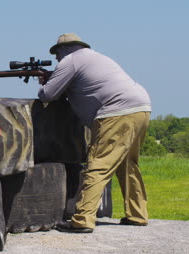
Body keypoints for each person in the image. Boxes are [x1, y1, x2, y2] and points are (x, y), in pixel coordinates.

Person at [38, 33, 152, 233]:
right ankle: (137, 214)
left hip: (116, 112)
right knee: (128, 165)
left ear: (63, 49)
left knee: (98, 164)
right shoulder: (95, 57)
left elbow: (48, 95)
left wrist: (45, 83)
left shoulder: (70, 61)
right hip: (140, 106)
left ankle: (82, 219)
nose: (56, 59)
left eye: (57, 53)